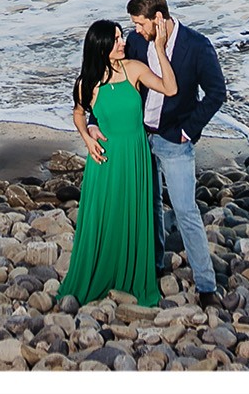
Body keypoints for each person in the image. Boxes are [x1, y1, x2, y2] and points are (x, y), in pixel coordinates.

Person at [57, 17, 177, 308]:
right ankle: (101, 276)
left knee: (132, 213)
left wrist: (160, 49)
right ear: (102, 47)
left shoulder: (133, 69)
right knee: (104, 216)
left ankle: (131, 278)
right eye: (116, 39)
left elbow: (170, 88)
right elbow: (78, 114)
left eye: (121, 36)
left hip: (135, 156)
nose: (123, 42)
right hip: (105, 160)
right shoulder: (88, 84)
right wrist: (87, 137)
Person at [123, 0, 227, 306]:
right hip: (141, 136)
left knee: (185, 211)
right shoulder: (136, 41)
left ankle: (206, 285)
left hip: (174, 140)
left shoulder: (196, 46)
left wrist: (187, 130)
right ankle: (153, 266)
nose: (136, 30)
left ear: (159, 18)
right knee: (150, 206)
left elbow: (216, 93)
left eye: (140, 24)